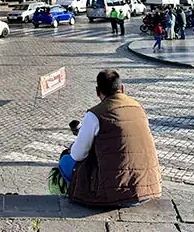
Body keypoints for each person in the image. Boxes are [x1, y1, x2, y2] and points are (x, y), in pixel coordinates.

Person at [59, 69, 162, 208]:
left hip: (113, 194)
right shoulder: (139, 107)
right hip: (147, 189)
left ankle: (68, 194)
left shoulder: (95, 114)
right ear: (122, 88)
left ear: (97, 91)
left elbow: (77, 155)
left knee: (66, 160)